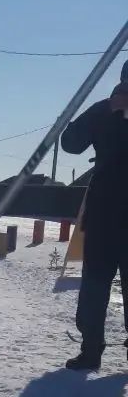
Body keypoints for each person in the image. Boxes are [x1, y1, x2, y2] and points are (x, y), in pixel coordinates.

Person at [60, 63, 128, 371]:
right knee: (95, 285)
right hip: (104, 215)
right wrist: (102, 111)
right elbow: (71, 144)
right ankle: (90, 349)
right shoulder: (103, 111)